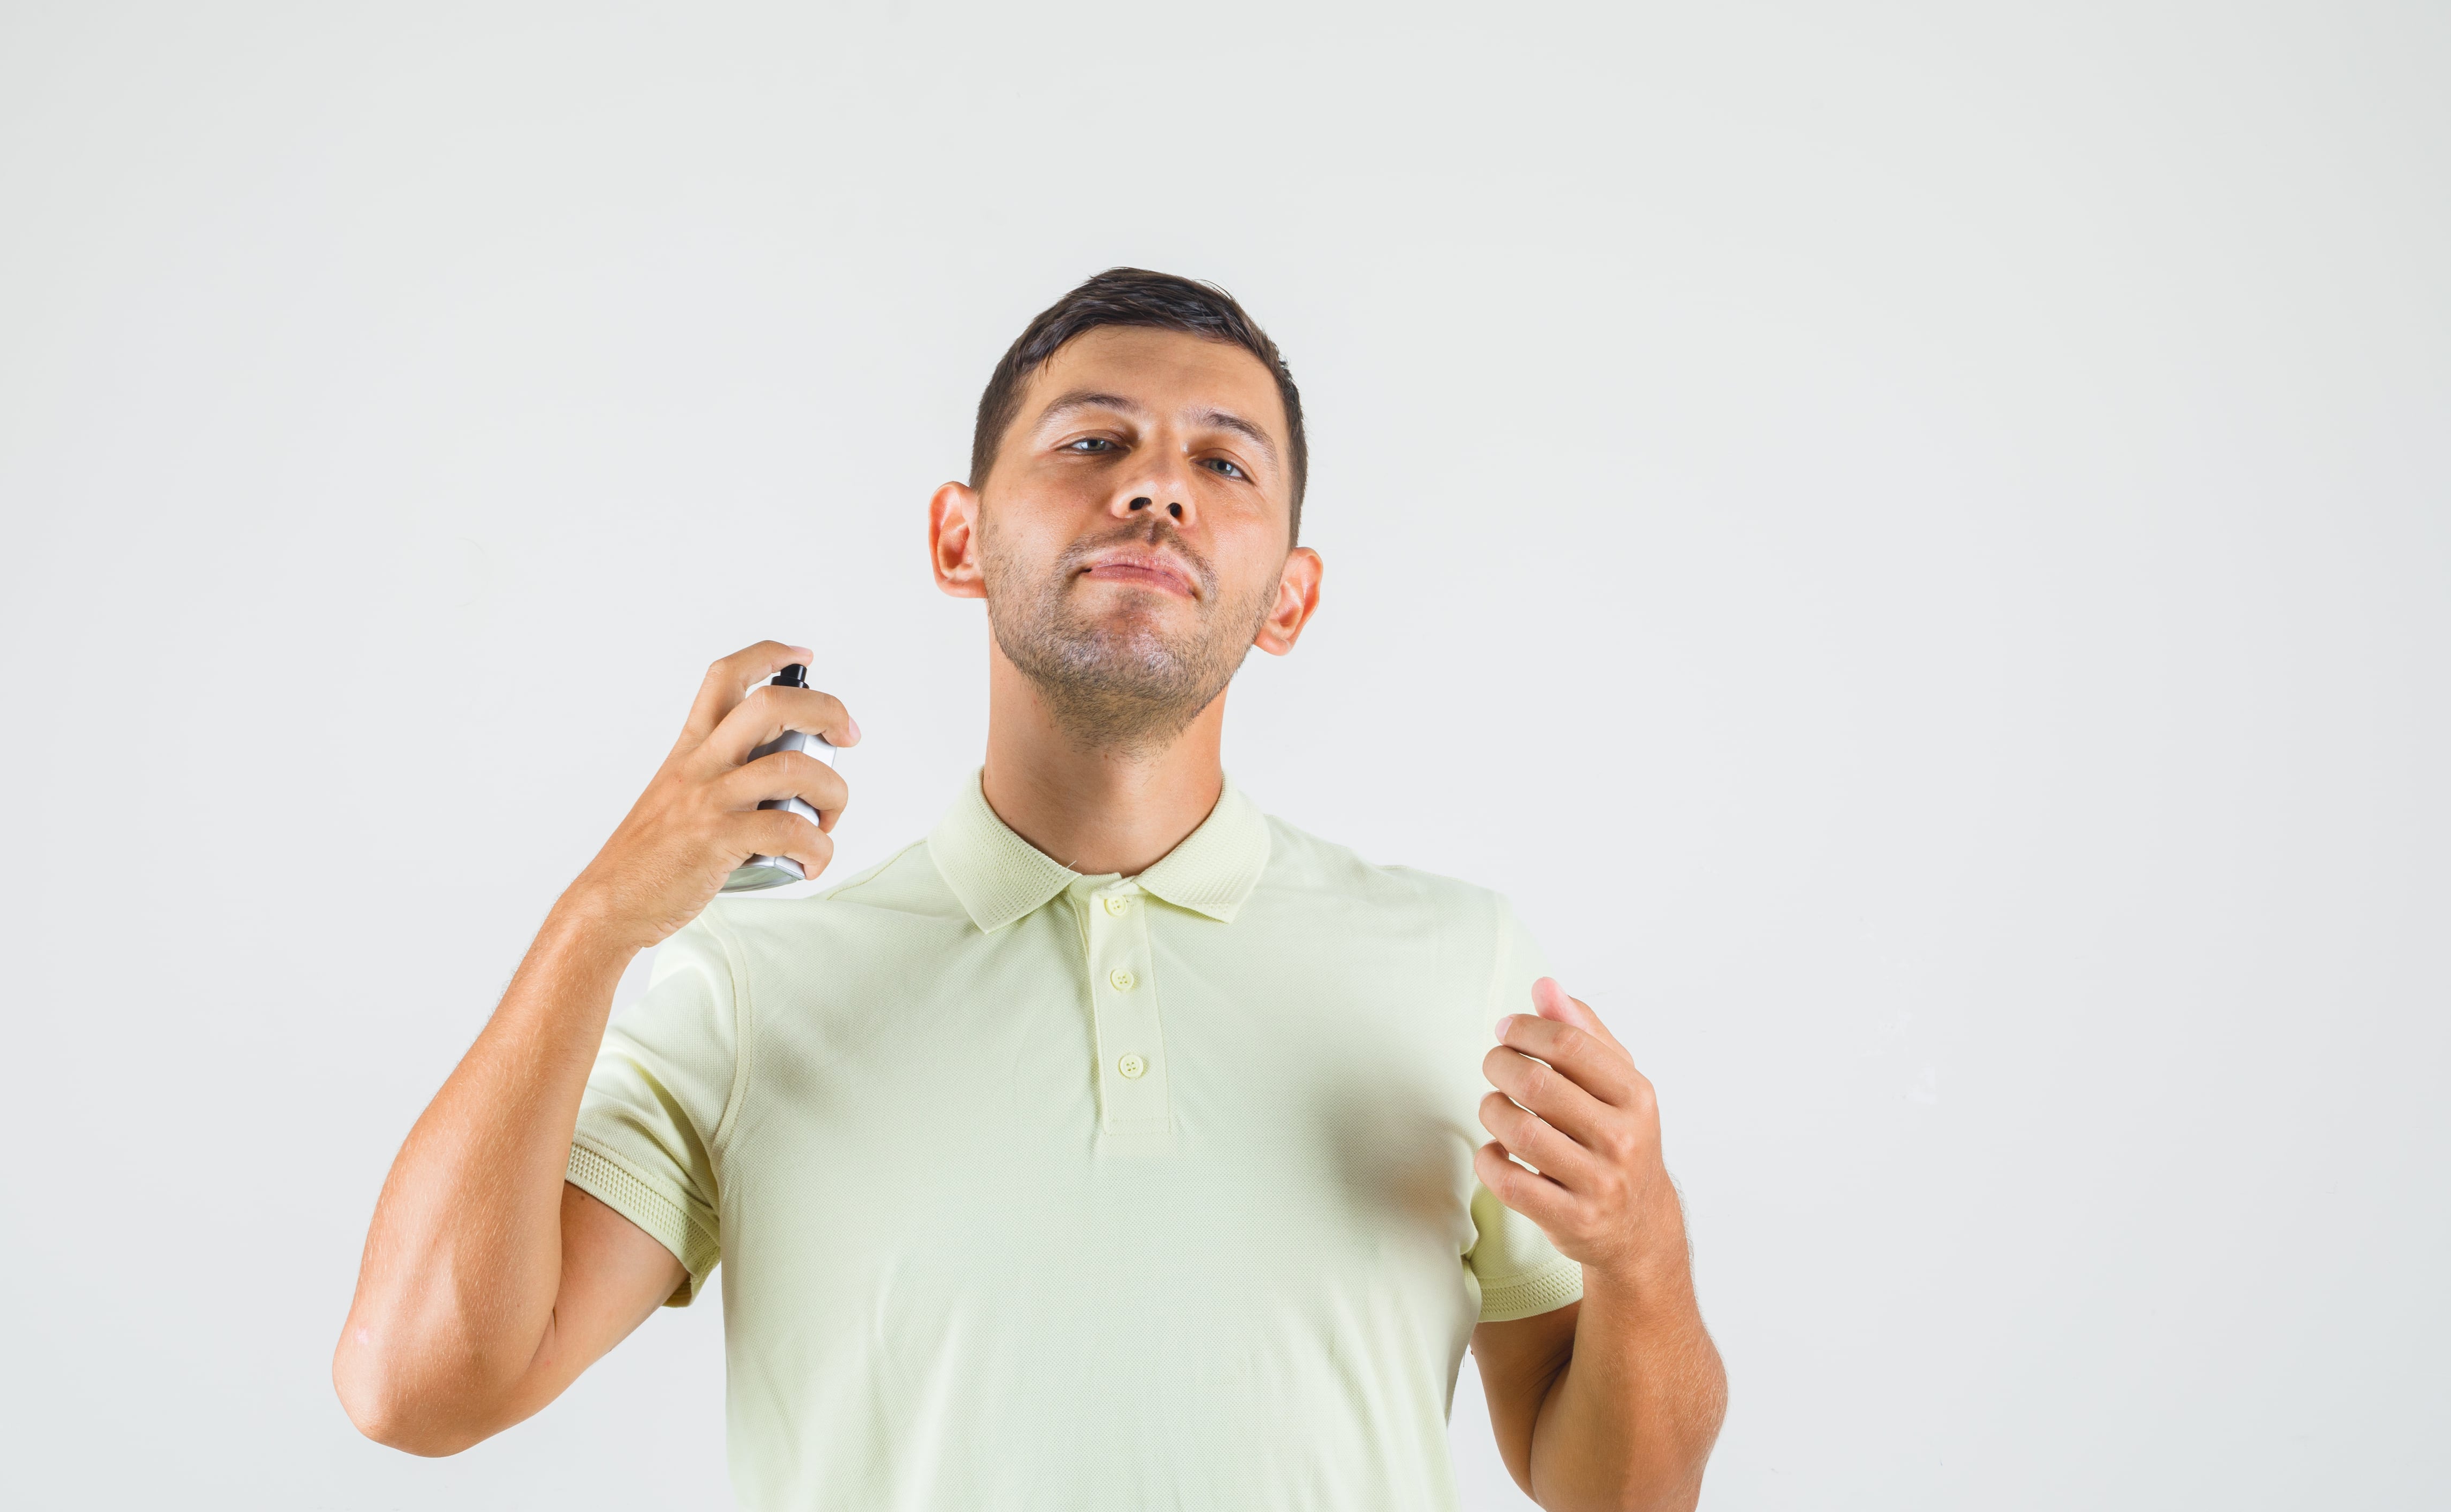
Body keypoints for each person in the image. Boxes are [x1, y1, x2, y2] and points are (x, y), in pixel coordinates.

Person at [333, 268, 1729, 1510]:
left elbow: (1620, 1494)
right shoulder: (755, 997)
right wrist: (599, 924)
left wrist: (1645, 1253)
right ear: (960, 538)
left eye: (1226, 464)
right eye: (1093, 441)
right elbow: (413, 1387)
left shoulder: (1459, 961)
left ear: (1290, 599)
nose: (1156, 488)